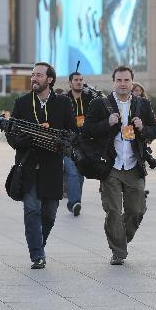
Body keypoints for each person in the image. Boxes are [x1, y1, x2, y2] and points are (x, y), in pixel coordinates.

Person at [82, 65, 156, 265]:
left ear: (132, 82)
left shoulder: (142, 104)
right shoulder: (101, 104)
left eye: (126, 80)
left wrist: (143, 128)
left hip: (134, 166)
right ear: (113, 82)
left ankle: (121, 240)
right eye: (119, 80)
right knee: (114, 211)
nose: (123, 84)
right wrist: (106, 123)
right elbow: (87, 130)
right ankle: (118, 251)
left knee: (137, 210)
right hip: (110, 166)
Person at [8, 62, 77, 269]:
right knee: (31, 210)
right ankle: (37, 254)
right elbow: (12, 135)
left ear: (50, 79)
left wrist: (53, 136)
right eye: (33, 75)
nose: (34, 79)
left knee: (49, 213)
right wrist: (26, 138)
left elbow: (72, 133)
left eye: (39, 75)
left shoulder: (63, 103)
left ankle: (39, 244)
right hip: (28, 166)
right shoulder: (21, 103)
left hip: (52, 168)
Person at [63, 71, 97, 216]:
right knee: (71, 170)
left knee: (80, 172)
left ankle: (75, 201)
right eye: (76, 80)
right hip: (68, 142)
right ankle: (74, 202)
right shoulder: (63, 100)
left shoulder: (90, 99)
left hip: (85, 143)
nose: (79, 82)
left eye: (81, 80)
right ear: (70, 83)